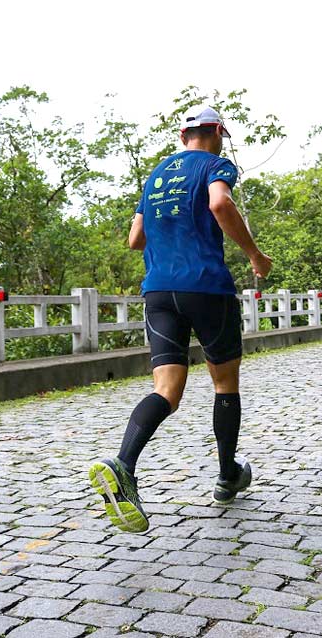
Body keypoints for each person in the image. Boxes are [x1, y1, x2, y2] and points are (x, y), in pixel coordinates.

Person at [89, 106, 273, 533]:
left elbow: (135, 239)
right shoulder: (216, 165)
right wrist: (254, 254)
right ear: (218, 134)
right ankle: (227, 476)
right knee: (224, 383)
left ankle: (124, 464)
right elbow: (219, 202)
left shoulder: (155, 176)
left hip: (158, 291)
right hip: (205, 286)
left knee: (166, 390)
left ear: (182, 135)